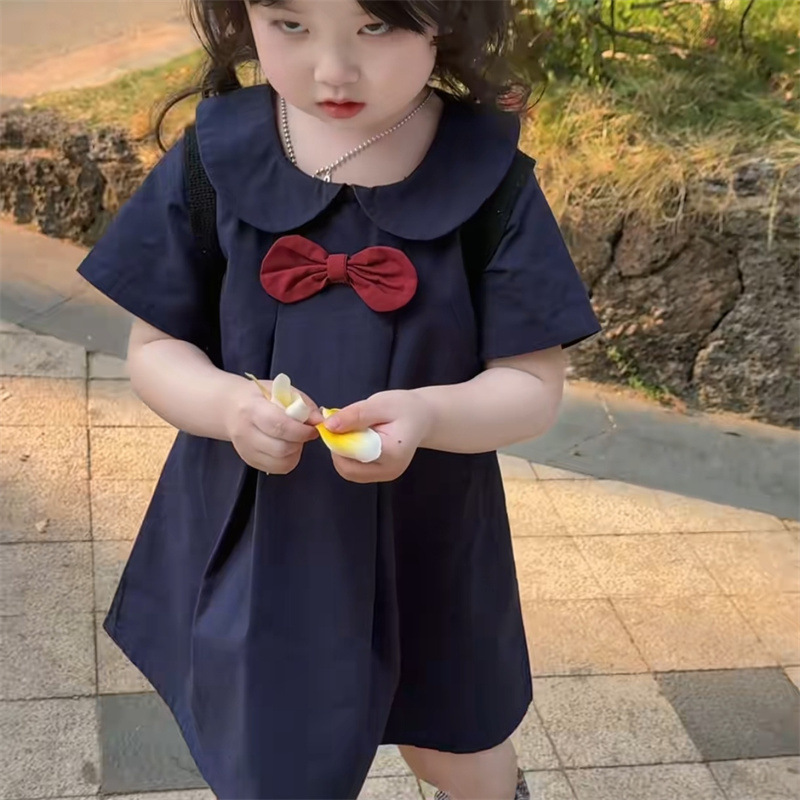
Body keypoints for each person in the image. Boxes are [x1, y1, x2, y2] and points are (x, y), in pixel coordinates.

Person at [77, 1, 600, 798]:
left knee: (454, 745)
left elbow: (531, 387)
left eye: (375, 27)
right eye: (290, 25)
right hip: (262, 538)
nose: (332, 71)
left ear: (444, 16)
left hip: (429, 533)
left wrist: (429, 416)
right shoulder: (216, 158)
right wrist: (227, 406)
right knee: (272, 755)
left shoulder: (489, 179)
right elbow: (155, 352)